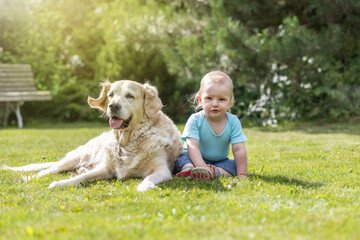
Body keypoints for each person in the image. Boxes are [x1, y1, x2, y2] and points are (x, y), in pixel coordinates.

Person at [175, 71, 248, 180]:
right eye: (209, 98)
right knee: (182, 158)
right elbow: (192, 146)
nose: (215, 104)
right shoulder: (195, 120)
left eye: (221, 99)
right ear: (200, 100)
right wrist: (202, 166)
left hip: (218, 161)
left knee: (233, 165)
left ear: (230, 102)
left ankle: (214, 171)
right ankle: (188, 169)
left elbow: (238, 149)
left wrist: (242, 174)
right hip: (192, 156)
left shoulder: (233, 121)